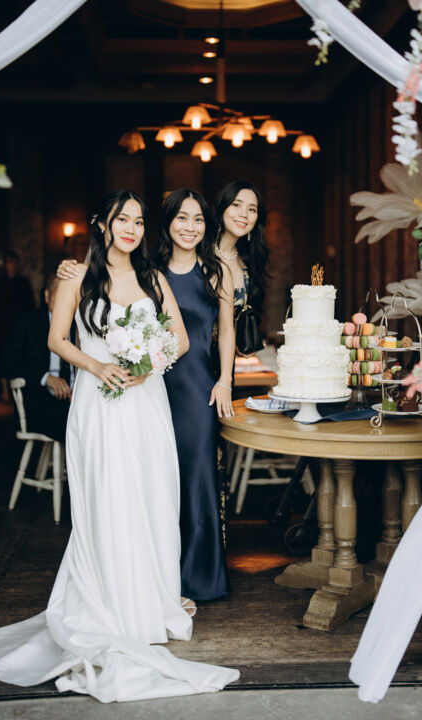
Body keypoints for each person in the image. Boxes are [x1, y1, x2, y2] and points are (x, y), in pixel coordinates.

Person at [0, 190, 239, 701]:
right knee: (108, 498)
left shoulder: (153, 277)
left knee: (152, 496)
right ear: (102, 224)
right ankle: (110, 603)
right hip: (99, 404)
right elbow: (57, 340)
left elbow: (180, 339)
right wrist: (98, 365)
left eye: (139, 221)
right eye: (121, 219)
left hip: (146, 402)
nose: (131, 228)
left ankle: (151, 601)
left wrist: (148, 364)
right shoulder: (77, 277)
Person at [154, 189, 235, 606]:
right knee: (157, 479)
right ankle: (159, 576)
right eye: (182, 218)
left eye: (198, 219)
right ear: (168, 221)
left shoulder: (217, 271)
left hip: (198, 389)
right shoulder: (148, 271)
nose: (190, 227)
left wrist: (225, 381)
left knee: (199, 477)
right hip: (151, 388)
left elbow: (227, 331)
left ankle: (200, 576)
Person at [0, 275, 73, 441]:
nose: (64, 301)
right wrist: (45, 378)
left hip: (75, 400)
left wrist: (79, 387)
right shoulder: (28, 323)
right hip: (42, 402)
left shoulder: (79, 326)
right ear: (47, 295)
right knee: (78, 422)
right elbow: (5, 364)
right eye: (59, 293)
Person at [213, 180, 269, 323]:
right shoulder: (200, 253)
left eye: (252, 209)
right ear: (222, 208)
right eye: (236, 205)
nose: (244, 214)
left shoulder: (248, 262)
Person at [0, 249, 35, 400]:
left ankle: (20, 387)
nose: (12, 265)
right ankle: (4, 390)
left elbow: (30, 304)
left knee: (20, 355)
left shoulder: (23, 282)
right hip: (2, 326)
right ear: (5, 264)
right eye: (9, 262)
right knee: (2, 355)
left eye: (14, 262)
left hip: (20, 325)